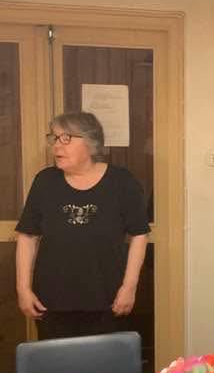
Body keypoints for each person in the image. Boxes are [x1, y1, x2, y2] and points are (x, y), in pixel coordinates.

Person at [16, 111, 149, 340]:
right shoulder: (45, 181)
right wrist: (23, 289)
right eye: (54, 138)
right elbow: (27, 236)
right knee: (57, 362)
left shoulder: (121, 182)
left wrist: (129, 287)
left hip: (108, 300)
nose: (57, 146)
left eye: (66, 138)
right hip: (51, 302)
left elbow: (139, 234)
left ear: (90, 142)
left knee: (105, 362)